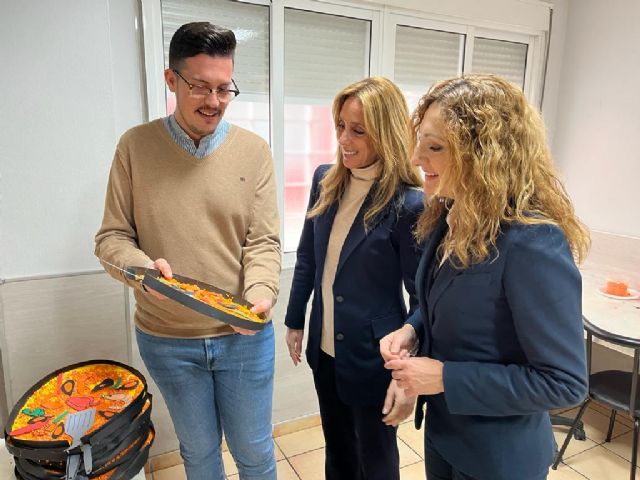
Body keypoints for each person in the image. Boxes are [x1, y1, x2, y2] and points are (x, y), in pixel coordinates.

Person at [381, 74, 590, 480]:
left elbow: (563, 383)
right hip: (445, 438)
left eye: (435, 147)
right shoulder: (450, 214)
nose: (416, 158)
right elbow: (443, 300)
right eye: (420, 142)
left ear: (483, 154)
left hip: (499, 459)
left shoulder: (532, 241)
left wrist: (445, 378)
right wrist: (412, 329)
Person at [95, 22, 280, 480]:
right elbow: (111, 238)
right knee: (197, 453)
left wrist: (259, 295)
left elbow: (263, 241)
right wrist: (143, 271)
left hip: (243, 336)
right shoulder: (135, 146)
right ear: (171, 79)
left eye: (224, 88)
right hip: (167, 339)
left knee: (254, 452)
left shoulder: (254, 150)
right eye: (200, 86)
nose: (214, 101)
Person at [284, 76, 424, 480]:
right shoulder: (324, 180)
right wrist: (295, 320)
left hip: (376, 357)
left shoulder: (409, 203)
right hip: (325, 349)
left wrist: (407, 369)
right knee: (339, 451)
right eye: (341, 126)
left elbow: (422, 300)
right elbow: (308, 257)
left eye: (358, 130)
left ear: (385, 133)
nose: (344, 139)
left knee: (375, 461)